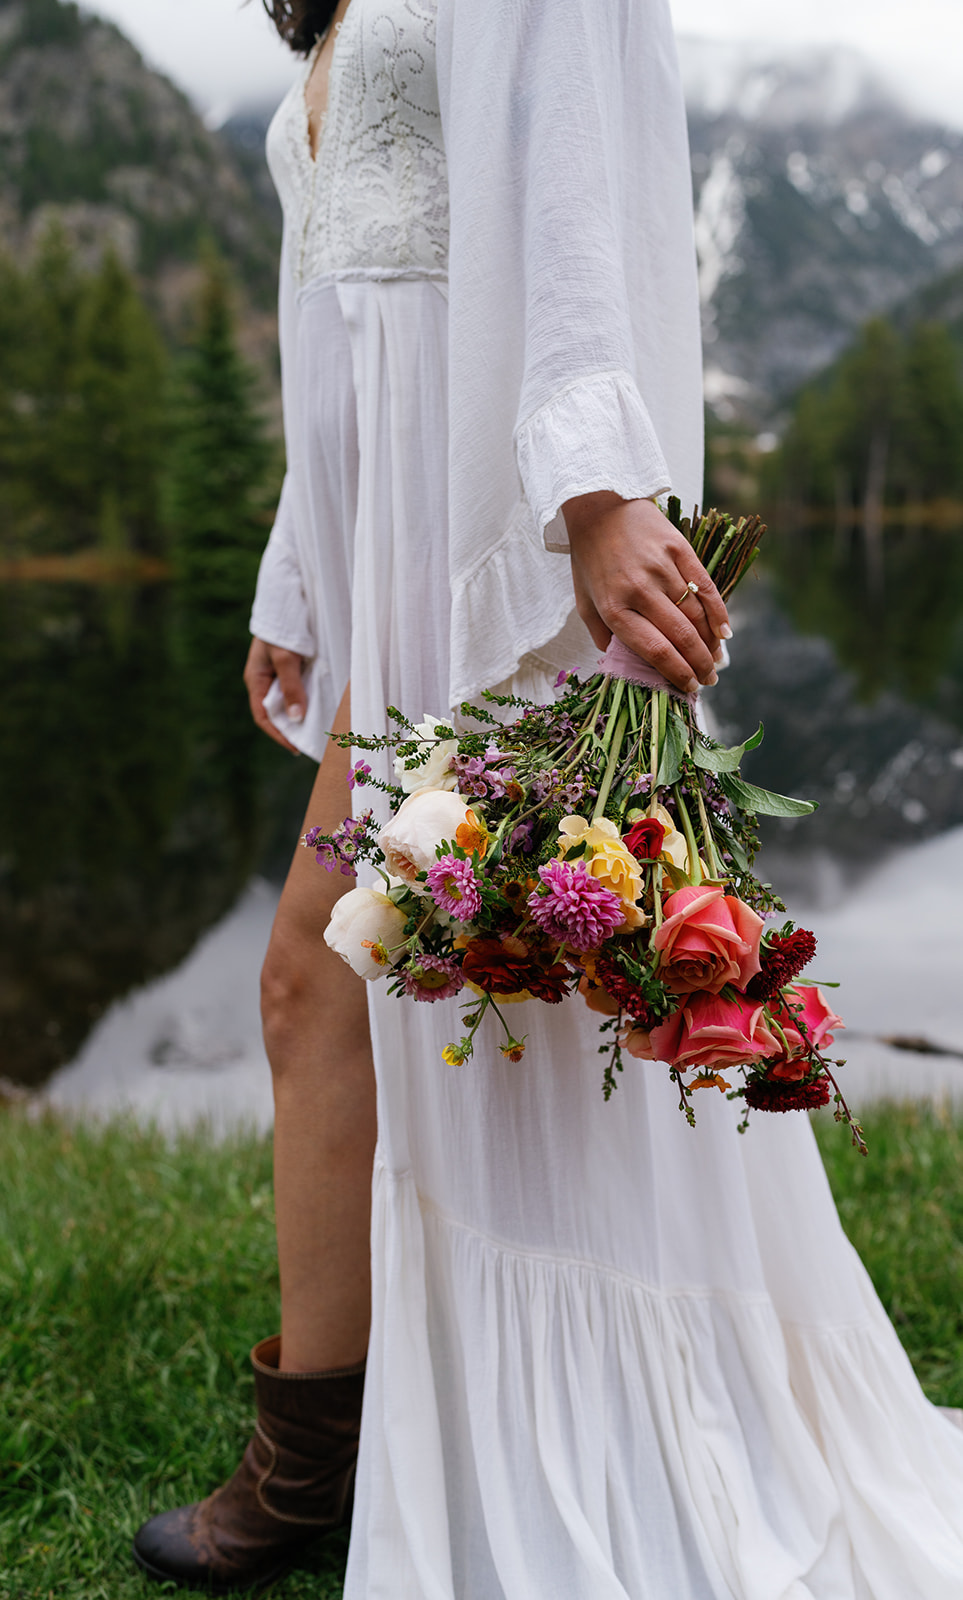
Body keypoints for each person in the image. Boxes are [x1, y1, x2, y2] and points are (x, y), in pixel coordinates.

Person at [135, 0, 963, 1594]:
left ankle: (587, 1446)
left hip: (501, 575)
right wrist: (296, 582)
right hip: (392, 601)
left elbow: (582, 187)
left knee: (502, 1047)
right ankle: (321, 1449)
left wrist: (595, 496)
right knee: (314, 989)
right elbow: (338, 319)